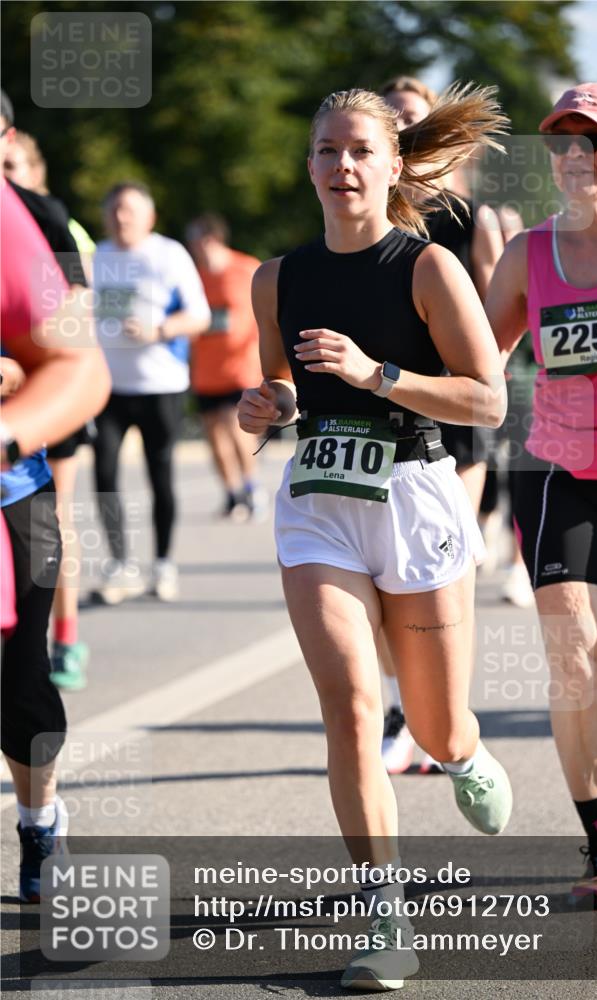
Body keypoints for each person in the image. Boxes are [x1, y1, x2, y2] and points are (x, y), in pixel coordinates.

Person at [239, 86, 512, 990]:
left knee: (430, 723)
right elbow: (284, 387)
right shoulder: (276, 277)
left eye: (359, 150)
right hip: (319, 498)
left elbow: (486, 398)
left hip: (416, 495)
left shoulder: (428, 267)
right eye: (325, 150)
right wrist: (267, 404)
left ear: (393, 165)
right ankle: (383, 914)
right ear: (308, 163)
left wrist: (379, 373)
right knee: (354, 706)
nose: (341, 166)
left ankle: (464, 749)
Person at [486, 82, 597, 908]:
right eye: (558, 143)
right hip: (557, 472)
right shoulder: (526, 253)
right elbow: (474, 356)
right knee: (574, 662)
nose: (570, 157)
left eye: (588, 142)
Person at [379, 76, 509, 774]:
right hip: (387, 403)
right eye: (391, 117)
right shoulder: (369, 212)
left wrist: (479, 385)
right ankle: (406, 710)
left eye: (410, 117)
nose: (402, 126)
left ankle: (448, 717)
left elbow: (497, 316)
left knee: (440, 564)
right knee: (387, 575)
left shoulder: (469, 216)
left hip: (454, 407)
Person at [1, 93, 111, 902]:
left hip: (15, 484)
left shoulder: (32, 218)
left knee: (17, 685)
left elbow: (70, 350)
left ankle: (40, 822)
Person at [3, 117, 95, 689]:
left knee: (53, 517)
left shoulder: (48, 219)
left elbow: (78, 318)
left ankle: (62, 636)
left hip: (45, 390)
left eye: (12, 171)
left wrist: (24, 367)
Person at [92, 182, 211, 603]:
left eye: (130, 211)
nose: (121, 218)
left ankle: (162, 563)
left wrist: (159, 330)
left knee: (159, 475)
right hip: (108, 387)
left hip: (160, 385)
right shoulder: (97, 256)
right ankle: (120, 563)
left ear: (149, 217)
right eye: (114, 211)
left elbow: (200, 315)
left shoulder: (169, 254)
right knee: (104, 474)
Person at [186, 214, 266, 521]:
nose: (194, 247)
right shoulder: (193, 276)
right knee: (214, 437)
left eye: (196, 240)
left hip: (241, 368)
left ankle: (252, 489)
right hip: (206, 371)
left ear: (210, 239)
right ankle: (232, 494)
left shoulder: (245, 268)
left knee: (237, 428)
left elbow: (247, 320)